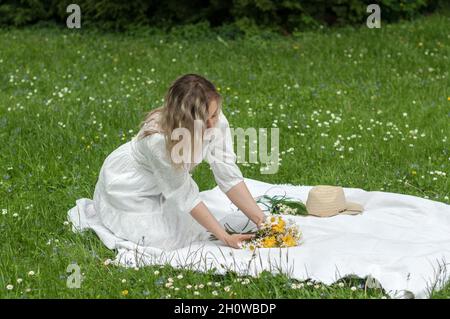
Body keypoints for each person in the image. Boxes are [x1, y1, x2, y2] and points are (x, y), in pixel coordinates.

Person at [89, 73, 266, 251]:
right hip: (130, 185)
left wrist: (262, 221)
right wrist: (225, 237)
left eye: (214, 115)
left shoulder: (213, 117)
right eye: (204, 120)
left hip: (165, 184)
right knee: (167, 241)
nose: (213, 125)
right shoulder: (158, 140)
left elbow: (228, 174)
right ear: (183, 120)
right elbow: (185, 195)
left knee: (193, 228)